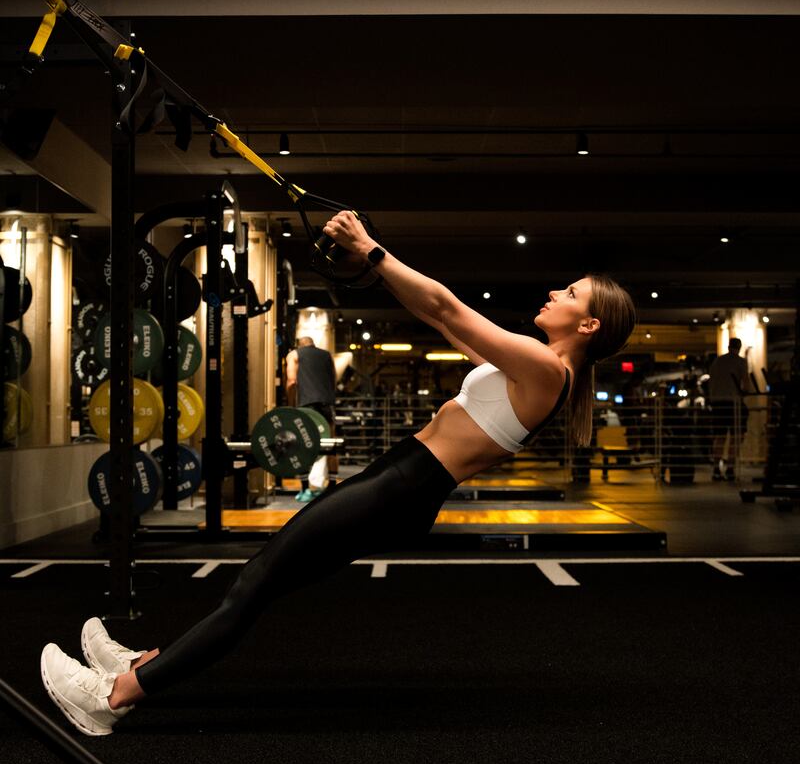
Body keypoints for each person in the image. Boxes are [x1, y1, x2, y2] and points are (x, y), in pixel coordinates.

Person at [40, 211, 636, 737]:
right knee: (262, 582)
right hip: (402, 483)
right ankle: (138, 668)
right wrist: (372, 267)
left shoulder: (544, 369)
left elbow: (447, 305)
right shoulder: (531, 368)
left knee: (256, 582)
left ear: (588, 326)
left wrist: (371, 249)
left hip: (402, 486)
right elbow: (446, 325)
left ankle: (115, 699)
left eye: (572, 293)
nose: (557, 292)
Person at [284, 336, 337, 501]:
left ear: (299, 344)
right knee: (331, 444)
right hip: (326, 405)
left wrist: (291, 404)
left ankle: (305, 488)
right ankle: (333, 487)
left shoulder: (294, 354)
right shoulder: (327, 355)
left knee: (302, 445)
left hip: (306, 405)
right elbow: (334, 380)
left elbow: (292, 381)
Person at [707, 337, 751, 480]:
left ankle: (715, 468)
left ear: (728, 346)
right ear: (739, 347)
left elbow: (711, 382)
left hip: (717, 403)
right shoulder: (740, 362)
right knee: (736, 437)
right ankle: (730, 468)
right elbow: (746, 384)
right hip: (733, 403)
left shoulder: (717, 362)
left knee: (719, 437)